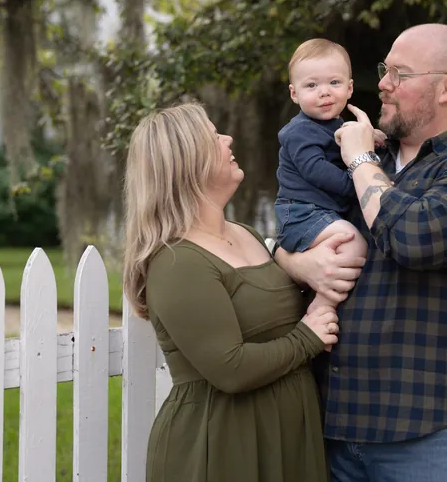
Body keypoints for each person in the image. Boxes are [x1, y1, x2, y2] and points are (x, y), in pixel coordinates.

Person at [274, 23, 447, 482]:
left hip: (425, 433)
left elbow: (411, 237)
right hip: (333, 427)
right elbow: (294, 222)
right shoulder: (370, 159)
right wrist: (294, 260)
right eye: (384, 70)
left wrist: (359, 161)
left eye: (400, 74)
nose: (383, 84)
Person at [122, 102, 339, 482]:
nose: (228, 138)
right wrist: (307, 338)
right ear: (188, 163)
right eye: (213, 136)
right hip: (221, 446)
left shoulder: (245, 234)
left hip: (285, 436)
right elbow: (230, 369)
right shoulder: (178, 261)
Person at [274, 38, 386, 315]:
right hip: (300, 213)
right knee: (352, 241)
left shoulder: (339, 125)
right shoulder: (298, 132)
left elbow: (348, 141)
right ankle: (322, 307)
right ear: (294, 94)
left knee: (343, 247)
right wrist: (358, 184)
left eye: (334, 83)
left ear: (349, 88)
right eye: (311, 85)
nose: (324, 92)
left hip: (322, 213)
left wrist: (371, 136)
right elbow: (316, 170)